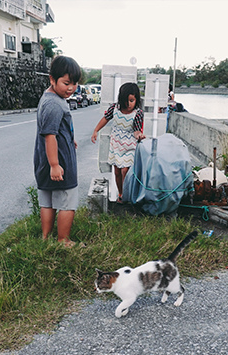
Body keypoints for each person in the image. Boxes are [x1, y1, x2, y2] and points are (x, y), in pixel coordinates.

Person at [33, 55, 82, 246]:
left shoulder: (50, 97)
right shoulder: (54, 103)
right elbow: (50, 135)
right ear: (52, 79)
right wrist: (55, 165)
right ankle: (64, 240)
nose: (71, 88)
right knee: (67, 201)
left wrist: (70, 139)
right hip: (58, 162)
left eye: (75, 83)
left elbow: (56, 130)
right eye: (66, 83)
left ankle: (45, 238)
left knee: (47, 200)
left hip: (43, 160)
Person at [91, 82, 146, 202]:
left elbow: (137, 130)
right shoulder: (114, 108)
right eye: (126, 100)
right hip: (116, 144)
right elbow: (105, 119)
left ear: (136, 100)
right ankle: (121, 194)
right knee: (116, 172)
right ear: (121, 99)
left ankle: (127, 195)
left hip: (130, 145)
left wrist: (140, 135)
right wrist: (96, 130)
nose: (129, 104)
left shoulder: (138, 113)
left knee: (125, 170)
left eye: (132, 100)